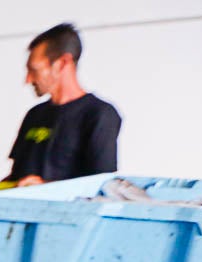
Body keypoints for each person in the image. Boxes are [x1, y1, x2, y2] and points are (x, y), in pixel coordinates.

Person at [6, 23, 120, 186]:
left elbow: (101, 187)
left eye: (34, 70)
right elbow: (15, 177)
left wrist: (44, 188)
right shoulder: (34, 115)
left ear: (62, 63)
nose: (28, 80)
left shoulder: (99, 114)